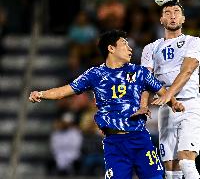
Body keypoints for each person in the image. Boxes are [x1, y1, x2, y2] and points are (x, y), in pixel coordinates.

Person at [29, 30, 184, 179]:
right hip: (114, 143)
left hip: (140, 139)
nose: (130, 49)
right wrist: (41, 94)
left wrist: (174, 103)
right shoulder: (95, 74)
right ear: (111, 48)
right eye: (125, 44)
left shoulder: (140, 72)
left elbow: (164, 92)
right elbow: (65, 90)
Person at [141, 1, 200, 179]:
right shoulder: (150, 48)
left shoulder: (194, 42)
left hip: (189, 106)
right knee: (170, 172)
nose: (172, 15)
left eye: (176, 12)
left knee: (187, 162)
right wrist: (143, 104)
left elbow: (187, 71)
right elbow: (146, 79)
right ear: (161, 19)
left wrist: (168, 95)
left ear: (183, 18)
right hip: (166, 110)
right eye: (167, 13)